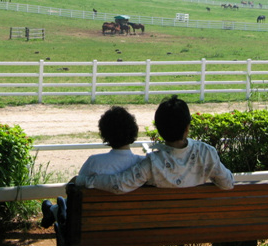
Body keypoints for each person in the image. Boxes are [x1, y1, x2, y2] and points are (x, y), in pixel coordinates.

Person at [75, 95, 234, 194]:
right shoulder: (207, 153)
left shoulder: (153, 164)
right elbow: (227, 183)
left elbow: (119, 184)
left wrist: (87, 180)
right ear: (187, 127)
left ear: (158, 129)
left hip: (161, 228)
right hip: (199, 226)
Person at [40, 106, 144, 228]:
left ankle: (53, 211)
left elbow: (76, 190)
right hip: (134, 226)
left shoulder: (95, 162)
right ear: (133, 131)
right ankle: (53, 210)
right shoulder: (143, 164)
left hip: (93, 228)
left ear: (105, 134)